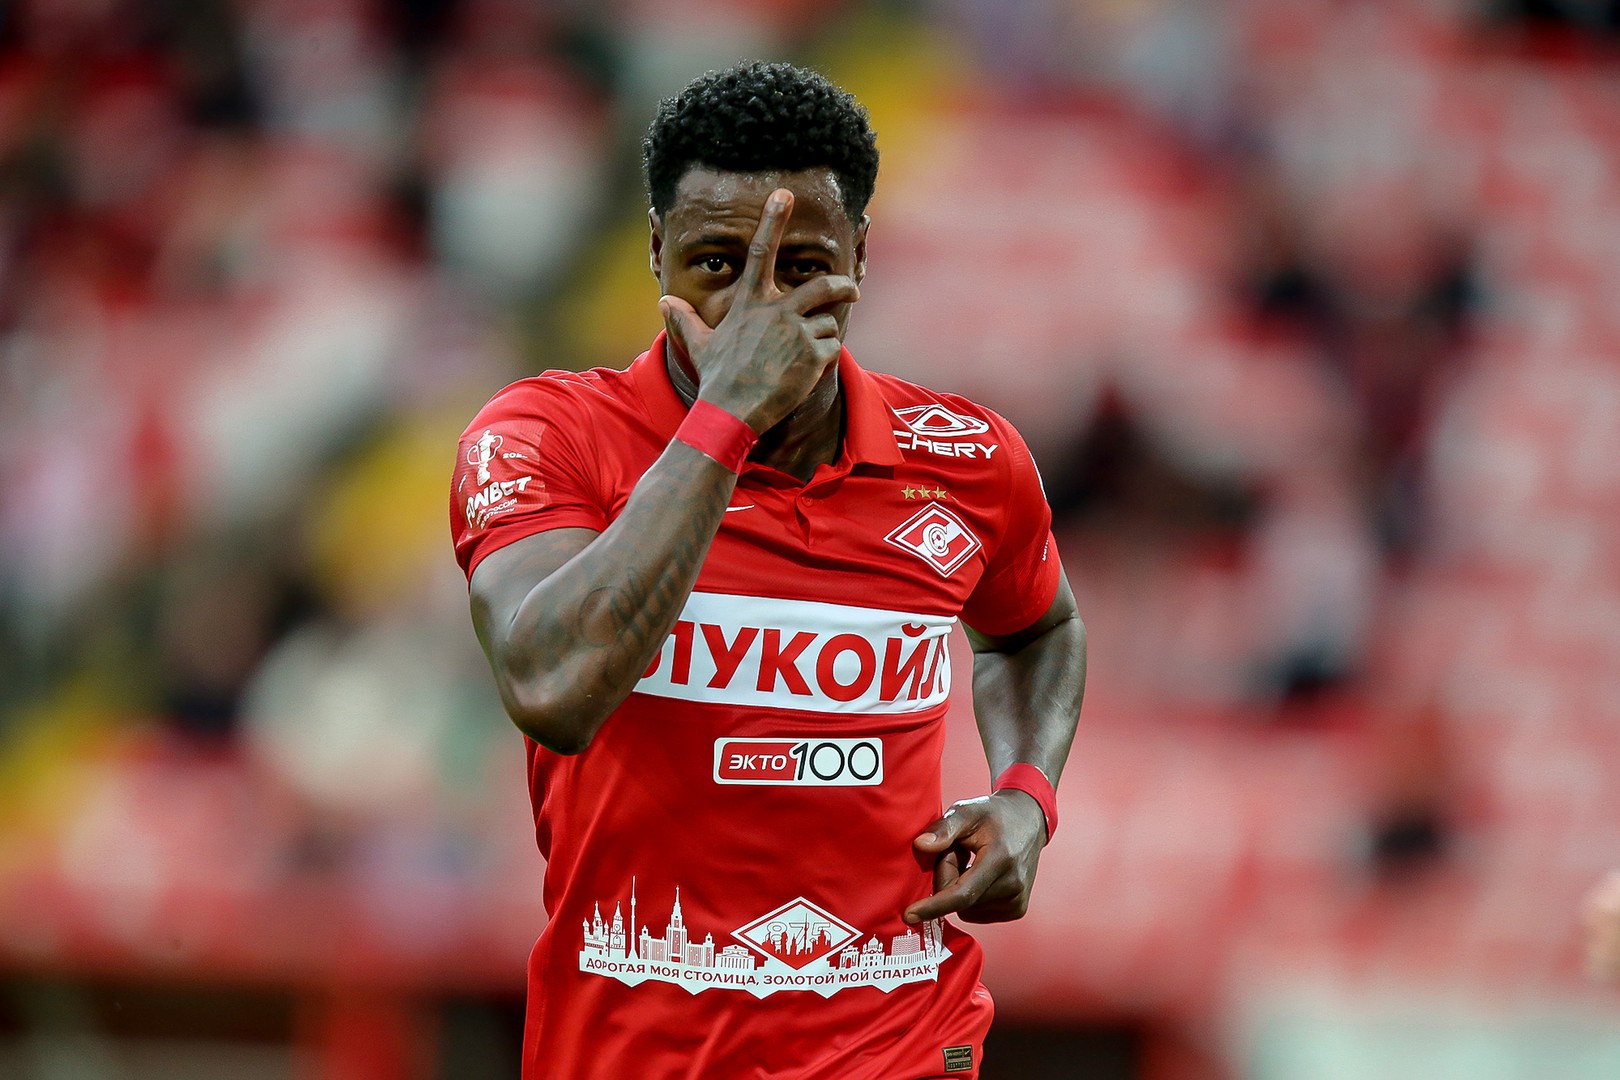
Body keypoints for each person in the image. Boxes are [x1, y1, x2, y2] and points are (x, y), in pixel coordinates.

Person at [449, 61, 1086, 1080]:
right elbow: (551, 686)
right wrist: (725, 417)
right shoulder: (548, 435)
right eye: (716, 263)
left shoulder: (966, 460)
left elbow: (1038, 630)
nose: (759, 308)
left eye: (802, 266)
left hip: (897, 1044)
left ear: (862, 256)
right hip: (632, 1052)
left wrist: (1024, 794)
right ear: (653, 250)